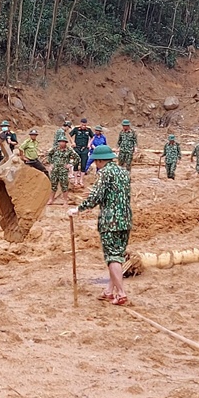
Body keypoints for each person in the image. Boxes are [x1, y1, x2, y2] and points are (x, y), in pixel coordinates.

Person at [68, 145, 132, 306]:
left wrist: (78, 209)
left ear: (100, 160)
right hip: (125, 219)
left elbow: (96, 196)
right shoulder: (124, 173)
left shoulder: (104, 173)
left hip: (110, 220)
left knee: (112, 257)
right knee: (117, 254)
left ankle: (121, 293)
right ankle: (109, 291)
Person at [47, 136, 80, 205]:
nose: (61, 143)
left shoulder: (69, 150)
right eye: (60, 141)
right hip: (55, 170)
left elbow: (77, 158)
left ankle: (65, 201)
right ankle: (51, 200)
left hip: (63, 171)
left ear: (65, 143)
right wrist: (51, 163)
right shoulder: (55, 149)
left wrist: (70, 164)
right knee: (53, 185)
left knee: (64, 186)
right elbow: (49, 155)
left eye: (63, 142)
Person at [69, 118, 94, 187]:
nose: (84, 126)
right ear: (80, 124)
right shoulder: (76, 129)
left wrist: (89, 144)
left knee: (84, 164)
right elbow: (69, 135)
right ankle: (76, 180)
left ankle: (81, 180)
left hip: (85, 149)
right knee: (76, 164)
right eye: (82, 125)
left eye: (85, 125)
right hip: (77, 148)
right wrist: (72, 142)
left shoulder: (88, 130)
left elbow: (93, 137)